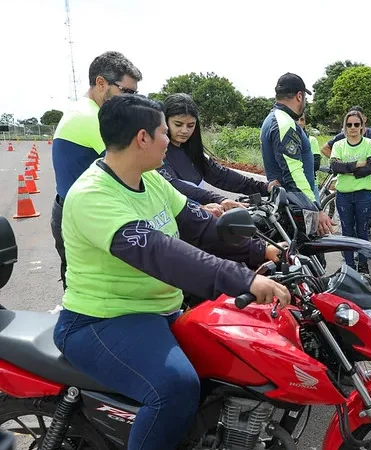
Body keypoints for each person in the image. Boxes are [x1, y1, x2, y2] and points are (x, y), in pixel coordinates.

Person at [53, 94, 291, 450]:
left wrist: (265, 250)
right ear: (142, 138)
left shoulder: (150, 181)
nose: (172, 140)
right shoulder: (93, 195)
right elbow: (164, 254)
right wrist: (244, 279)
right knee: (175, 387)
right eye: (165, 131)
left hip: (159, 312)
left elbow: (202, 228)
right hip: (101, 321)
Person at [51, 51, 141, 291]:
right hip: (79, 216)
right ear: (101, 83)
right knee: (89, 291)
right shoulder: (90, 117)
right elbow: (136, 167)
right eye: (127, 92)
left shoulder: (83, 110)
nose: (131, 100)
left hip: (73, 210)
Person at [157, 93, 268, 213]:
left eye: (190, 125)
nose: (185, 131)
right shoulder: (157, 153)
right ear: (165, 121)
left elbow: (222, 176)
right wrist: (218, 199)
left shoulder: (192, 151)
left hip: (199, 219)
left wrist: (264, 187)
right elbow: (173, 185)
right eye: (178, 124)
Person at [260, 73, 334, 235]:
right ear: (299, 96)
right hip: (295, 210)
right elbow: (293, 172)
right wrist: (315, 208)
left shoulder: (273, 119)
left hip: (288, 205)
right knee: (307, 259)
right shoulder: (284, 123)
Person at [328, 110, 371, 273]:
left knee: (362, 231)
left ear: (362, 126)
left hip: (364, 195)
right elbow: (335, 167)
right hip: (343, 196)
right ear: (345, 127)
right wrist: (357, 164)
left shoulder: (370, 144)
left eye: (356, 124)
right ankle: (349, 266)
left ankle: (363, 265)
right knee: (347, 231)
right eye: (349, 124)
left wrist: (347, 168)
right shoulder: (338, 145)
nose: (353, 128)